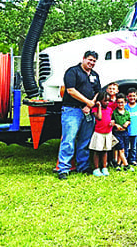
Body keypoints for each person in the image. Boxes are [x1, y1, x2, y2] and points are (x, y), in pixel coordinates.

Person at [57, 50, 101, 180]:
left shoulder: (95, 75)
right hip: (72, 111)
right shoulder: (73, 72)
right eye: (90, 60)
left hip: (88, 112)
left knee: (85, 141)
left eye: (94, 61)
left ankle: (83, 166)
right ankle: (64, 168)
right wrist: (87, 102)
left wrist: (90, 104)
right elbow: (71, 90)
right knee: (69, 140)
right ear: (83, 59)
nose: (91, 63)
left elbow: (98, 91)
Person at [89, 91, 116, 177]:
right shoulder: (95, 109)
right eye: (105, 101)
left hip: (107, 133)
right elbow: (99, 117)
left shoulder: (109, 109)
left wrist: (112, 122)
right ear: (99, 101)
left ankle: (104, 167)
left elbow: (110, 118)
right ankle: (96, 168)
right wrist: (99, 106)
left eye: (108, 101)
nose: (107, 103)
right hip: (99, 133)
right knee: (97, 151)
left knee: (105, 151)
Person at [111, 93, 132, 171]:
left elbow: (129, 120)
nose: (120, 104)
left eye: (122, 102)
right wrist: (116, 125)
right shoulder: (114, 113)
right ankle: (126, 165)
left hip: (125, 132)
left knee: (124, 148)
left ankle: (118, 164)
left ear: (125, 103)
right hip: (117, 133)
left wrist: (127, 123)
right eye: (118, 102)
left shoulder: (126, 112)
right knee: (120, 149)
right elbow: (112, 121)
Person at [124, 89, 137, 166]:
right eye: (130, 96)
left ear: (136, 96)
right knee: (126, 147)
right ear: (127, 97)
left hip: (135, 130)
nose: (132, 98)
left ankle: (133, 159)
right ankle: (125, 160)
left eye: (134, 96)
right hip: (126, 131)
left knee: (134, 147)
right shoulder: (125, 107)